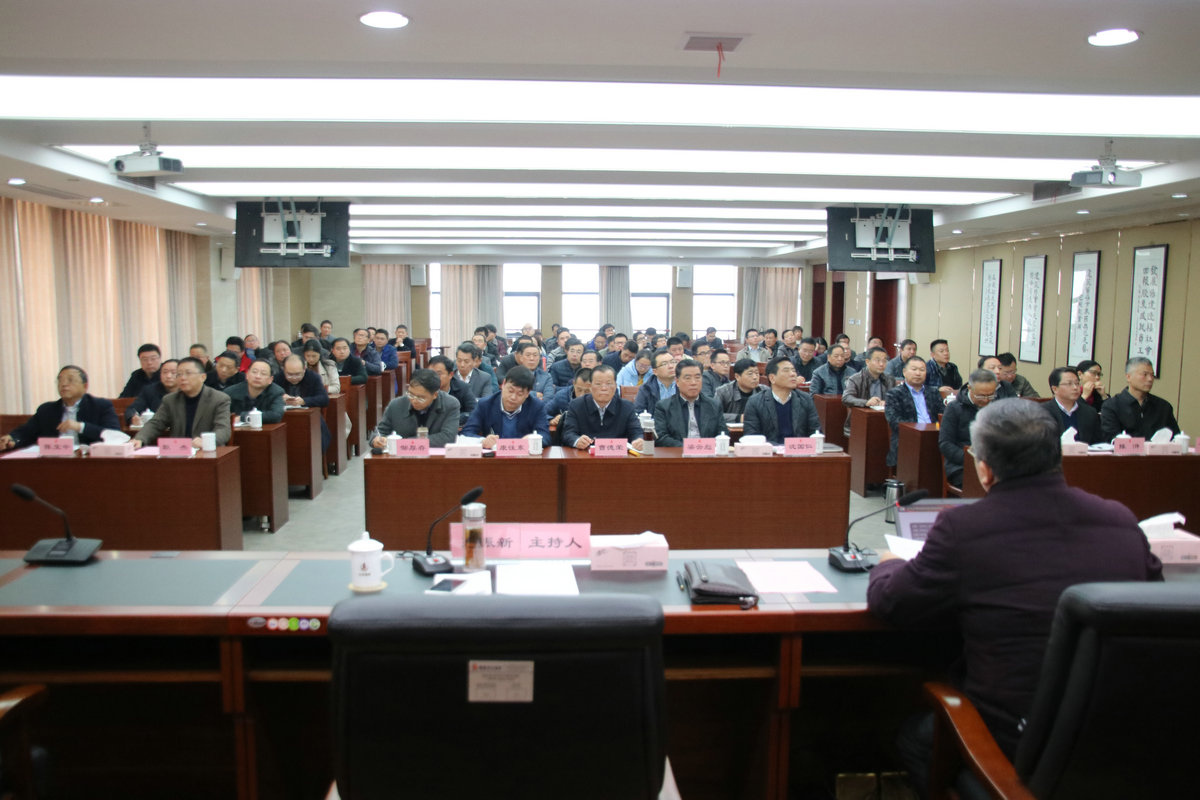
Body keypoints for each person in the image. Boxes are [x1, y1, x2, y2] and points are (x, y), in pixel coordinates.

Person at [868, 399, 1162, 794]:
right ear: (1056, 456)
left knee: (913, 738)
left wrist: (887, 564)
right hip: (1117, 737)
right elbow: (1154, 599)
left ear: (985, 470)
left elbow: (892, 603)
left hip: (1013, 740)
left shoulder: (964, 527)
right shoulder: (1120, 520)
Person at [1, 365, 120, 450]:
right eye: (60, 380)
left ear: (85, 386)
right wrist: (12, 439)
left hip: (88, 463)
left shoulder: (100, 406)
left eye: (70, 380)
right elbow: (26, 432)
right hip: (54, 462)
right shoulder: (46, 410)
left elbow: (115, 435)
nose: (63, 384)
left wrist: (80, 427)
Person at [132, 357, 232, 448]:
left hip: (208, 452)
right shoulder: (170, 400)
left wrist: (206, 441)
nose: (182, 378)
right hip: (178, 452)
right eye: (179, 374)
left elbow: (223, 429)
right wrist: (140, 439)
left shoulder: (219, 399)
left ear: (203, 377)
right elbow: (156, 423)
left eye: (188, 373)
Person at [461, 366, 551, 448]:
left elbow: (545, 436)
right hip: (494, 457)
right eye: (510, 391)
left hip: (523, 457)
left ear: (528, 393)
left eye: (519, 394)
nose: (513, 397)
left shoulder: (536, 406)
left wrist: (533, 439)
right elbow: (467, 432)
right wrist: (483, 441)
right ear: (503, 384)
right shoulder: (485, 404)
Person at [939, 369, 999, 488]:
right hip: (961, 466)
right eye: (981, 395)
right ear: (970, 388)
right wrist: (971, 459)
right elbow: (945, 444)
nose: (986, 400)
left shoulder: (998, 407)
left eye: (991, 395)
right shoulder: (954, 408)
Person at [370, 368, 460, 448]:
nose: (414, 401)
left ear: (435, 395)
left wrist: (405, 443)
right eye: (411, 394)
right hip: (402, 458)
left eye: (421, 398)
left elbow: (448, 437)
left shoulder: (450, 404)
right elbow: (380, 432)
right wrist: (376, 440)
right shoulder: (396, 405)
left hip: (436, 458)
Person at [562, 364, 645, 450]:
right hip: (585, 454)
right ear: (590, 387)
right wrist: (577, 440)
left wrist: (638, 440)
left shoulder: (627, 407)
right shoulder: (576, 405)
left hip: (617, 455)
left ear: (615, 386)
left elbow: (636, 431)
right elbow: (568, 433)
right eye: (598, 384)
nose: (604, 388)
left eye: (609, 383)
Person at [742, 356, 821, 444]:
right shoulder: (755, 402)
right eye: (786, 371)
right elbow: (752, 437)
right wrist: (778, 448)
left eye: (793, 370)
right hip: (769, 451)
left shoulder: (805, 399)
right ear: (772, 378)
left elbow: (815, 432)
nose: (793, 374)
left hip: (798, 450)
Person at [1100, 356, 1180, 440]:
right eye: (1144, 374)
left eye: (1152, 375)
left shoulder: (1163, 407)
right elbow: (1110, 439)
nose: (1150, 379)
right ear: (1128, 377)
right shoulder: (1112, 406)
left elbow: (1175, 438)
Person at [653, 359, 730, 446]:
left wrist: (705, 447)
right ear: (677, 381)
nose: (693, 383)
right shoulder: (664, 406)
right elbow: (661, 437)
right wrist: (688, 447)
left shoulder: (714, 405)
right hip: (678, 452)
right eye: (688, 378)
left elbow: (723, 434)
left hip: (707, 452)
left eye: (697, 377)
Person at [884, 356, 942, 467]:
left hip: (933, 436)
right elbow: (894, 421)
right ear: (904, 372)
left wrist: (935, 429)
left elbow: (942, 416)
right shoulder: (894, 394)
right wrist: (918, 430)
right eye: (914, 369)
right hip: (908, 439)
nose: (918, 373)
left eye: (922, 370)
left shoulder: (933, 392)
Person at [841, 346, 896, 437]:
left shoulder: (890, 380)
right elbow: (846, 398)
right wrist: (866, 402)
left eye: (884, 361)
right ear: (867, 362)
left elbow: (895, 400)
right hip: (860, 424)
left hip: (884, 422)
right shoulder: (855, 379)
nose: (881, 364)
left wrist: (887, 402)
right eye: (877, 360)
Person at [1047, 365, 1101, 445]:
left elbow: (1098, 444)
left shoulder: (1090, 412)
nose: (1075, 387)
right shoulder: (1043, 412)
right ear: (1055, 389)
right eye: (1069, 384)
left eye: (1077, 383)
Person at [126, 358, 178, 424]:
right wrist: (133, 417)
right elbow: (132, 409)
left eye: (173, 373)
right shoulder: (150, 390)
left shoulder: (187, 391)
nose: (168, 376)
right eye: (165, 372)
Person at [714, 357, 766, 422]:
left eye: (757, 373)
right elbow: (714, 415)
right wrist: (738, 418)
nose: (755, 377)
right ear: (737, 376)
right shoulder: (723, 392)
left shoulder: (764, 391)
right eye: (750, 374)